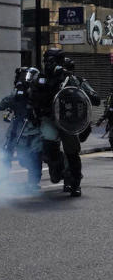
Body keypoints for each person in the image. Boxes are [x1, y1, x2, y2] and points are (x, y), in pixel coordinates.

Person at [29, 47, 100, 197]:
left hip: (68, 121)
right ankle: (58, 168)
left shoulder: (70, 79)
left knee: (72, 152)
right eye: (47, 60)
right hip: (49, 118)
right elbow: (32, 99)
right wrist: (33, 113)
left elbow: (88, 97)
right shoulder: (40, 79)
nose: (49, 63)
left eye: (52, 60)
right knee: (48, 148)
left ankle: (74, 183)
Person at [0, 67, 42, 192]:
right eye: (22, 76)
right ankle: (2, 178)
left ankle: (33, 181)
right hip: (17, 127)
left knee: (35, 156)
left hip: (34, 128)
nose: (24, 79)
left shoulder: (40, 93)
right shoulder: (17, 93)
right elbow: (7, 102)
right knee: (8, 152)